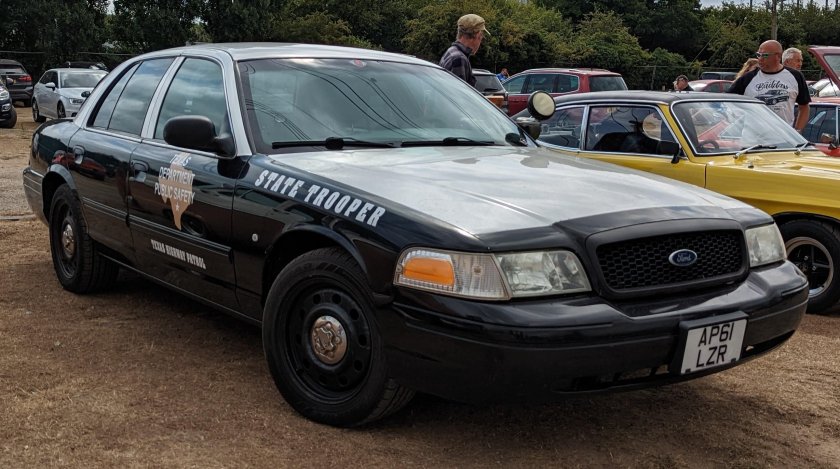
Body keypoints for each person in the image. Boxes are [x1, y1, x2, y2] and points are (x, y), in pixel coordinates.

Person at [729, 40, 810, 131]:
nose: (760, 59)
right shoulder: (748, 78)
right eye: (759, 55)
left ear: (778, 56)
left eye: (765, 55)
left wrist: (797, 131)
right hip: (753, 139)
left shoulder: (795, 76)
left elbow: (804, 107)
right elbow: (727, 102)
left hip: (783, 138)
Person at [439, 14, 489, 88]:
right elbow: (459, 96)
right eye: (481, 37)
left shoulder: (451, 51)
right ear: (478, 35)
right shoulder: (459, 59)